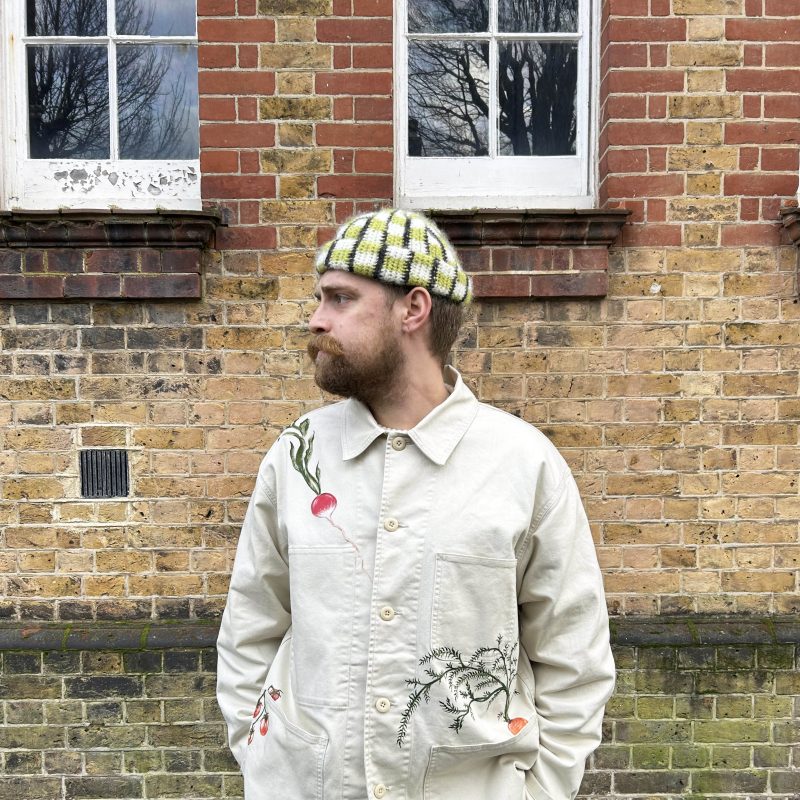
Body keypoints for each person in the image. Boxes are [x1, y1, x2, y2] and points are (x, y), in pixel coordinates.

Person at [216, 208, 615, 800]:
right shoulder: (299, 456)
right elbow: (252, 623)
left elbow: (572, 654)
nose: (315, 319)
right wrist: (259, 755)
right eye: (319, 299)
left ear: (413, 309)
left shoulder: (521, 464)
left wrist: (542, 791)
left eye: (340, 299)